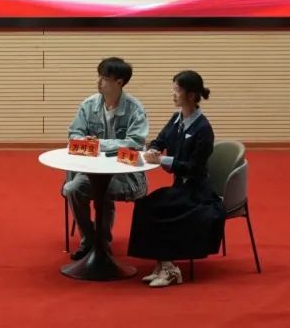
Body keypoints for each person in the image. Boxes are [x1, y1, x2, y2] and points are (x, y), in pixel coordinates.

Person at [128, 70, 226, 288]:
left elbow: (194, 168)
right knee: (144, 204)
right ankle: (162, 263)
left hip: (197, 192)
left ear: (191, 95)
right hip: (180, 188)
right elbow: (159, 140)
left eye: (177, 90)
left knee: (162, 209)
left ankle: (171, 270)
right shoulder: (176, 119)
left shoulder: (203, 129)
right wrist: (153, 149)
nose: (173, 94)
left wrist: (163, 160)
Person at [63, 57, 150, 260]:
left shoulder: (135, 109)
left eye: (104, 78)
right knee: (72, 189)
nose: (99, 82)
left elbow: (136, 143)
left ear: (119, 82)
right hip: (92, 171)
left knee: (103, 190)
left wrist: (99, 144)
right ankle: (91, 240)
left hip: (126, 174)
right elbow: (74, 134)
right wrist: (84, 141)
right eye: (99, 76)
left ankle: (101, 244)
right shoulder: (89, 105)